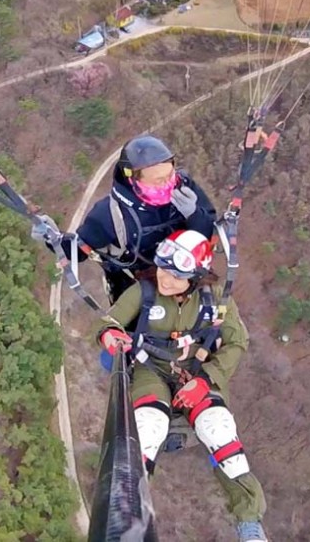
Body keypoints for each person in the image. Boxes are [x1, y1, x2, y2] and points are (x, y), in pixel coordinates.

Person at [97, 229, 268, 542]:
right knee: (147, 428)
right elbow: (109, 321)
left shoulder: (214, 298)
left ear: (195, 276)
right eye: (164, 269)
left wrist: (206, 379)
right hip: (151, 370)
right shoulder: (144, 292)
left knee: (218, 429)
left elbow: (237, 341)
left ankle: (249, 520)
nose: (166, 279)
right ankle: (129, 515)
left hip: (198, 372)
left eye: (177, 275)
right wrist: (110, 334)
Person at [35, 134, 217, 304]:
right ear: (133, 180)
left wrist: (194, 215)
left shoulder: (183, 188)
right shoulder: (108, 215)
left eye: (170, 176)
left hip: (186, 276)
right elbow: (79, 250)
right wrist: (52, 238)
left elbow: (209, 233)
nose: (168, 184)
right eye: (158, 181)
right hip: (137, 289)